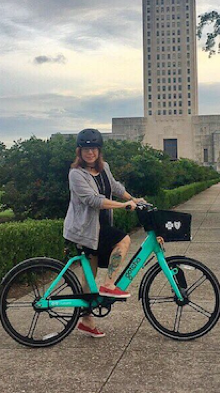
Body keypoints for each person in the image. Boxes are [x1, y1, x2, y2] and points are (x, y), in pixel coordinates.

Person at [63, 128, 145, 338]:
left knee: (88, 277)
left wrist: (133, 199)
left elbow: (115, 187)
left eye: (93, 148)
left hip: (100, 227)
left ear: (99, 150)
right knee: (123, 240)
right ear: (79, 151)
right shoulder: (76, 174)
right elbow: (93, 200)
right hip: (85, 230)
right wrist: (123, 206)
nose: (90, 153)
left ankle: (86, 321)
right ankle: (109, 285)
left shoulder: (104, 168)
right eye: (85, 149)